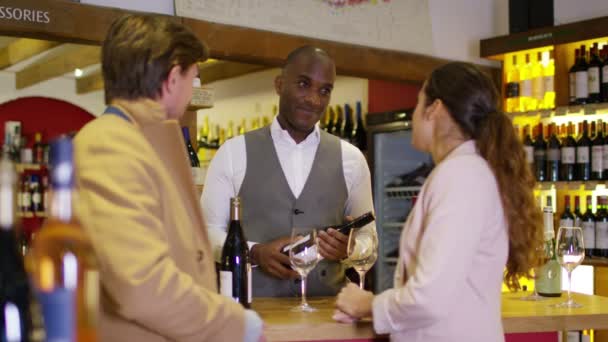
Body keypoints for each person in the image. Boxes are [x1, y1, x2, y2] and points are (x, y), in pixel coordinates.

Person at [73, 14, 264, 342]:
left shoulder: (137, 140)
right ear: (174, 76)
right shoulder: (108, 144)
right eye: (194, 78)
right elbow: (140, 283)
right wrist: (234, 324)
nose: (193, 89)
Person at [334, 62, 543, 342]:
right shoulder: (467, 171)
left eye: (419, 103)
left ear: (435, 109)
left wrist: (366, 303)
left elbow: (429, 296)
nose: (413, 115)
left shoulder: (460, 175)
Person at [201, 45, 375, 297]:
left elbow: (370, 238)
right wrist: (253, 251)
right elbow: (206, 232)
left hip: (327, 315)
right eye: (303, 84)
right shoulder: (232, 153)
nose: (314, 99)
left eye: (324, 91)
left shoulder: (352, 159)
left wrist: (350, 249)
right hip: (253, 316)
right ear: (280, 84)